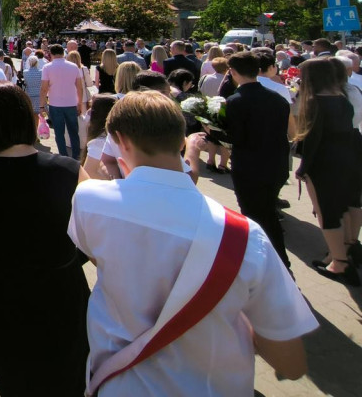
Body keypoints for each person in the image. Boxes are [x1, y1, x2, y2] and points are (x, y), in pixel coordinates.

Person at [69, 90, 317, 396]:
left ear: (121, 140)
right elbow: (291, 363)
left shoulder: (90, 200)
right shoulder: (246, 236)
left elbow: (98, 252)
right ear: (182, 140)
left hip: (120, 385)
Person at [0, 84, 90, 395]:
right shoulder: (68, 170)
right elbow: (93, 234)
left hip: (1, 292)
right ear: (30, 119)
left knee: (14, 379)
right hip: (61, 288)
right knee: (69, 379)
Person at [294, 57, 362, 285]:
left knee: (327, 213)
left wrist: (303, 168)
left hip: (325, 164)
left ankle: (339, 263)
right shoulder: (342, 98)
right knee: (342, 208)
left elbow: (313, 140)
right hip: (348, 160)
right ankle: (343, 252)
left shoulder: (315, 102)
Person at [225, 52, 292, 271]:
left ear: (233, 73)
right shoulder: (278, 98)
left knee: (257, 217)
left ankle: (276, 264)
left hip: (250, 168)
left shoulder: (236, 102)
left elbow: (236, 138)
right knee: (268, 212)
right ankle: (277, 261)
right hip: (277, 165)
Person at [41, 44, 86, 159]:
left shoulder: (47, 67)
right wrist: (80, 103)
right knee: (73, 132)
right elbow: (80, 87)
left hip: (55, 104)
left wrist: (42, 105)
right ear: (63, 52)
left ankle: (63, 156)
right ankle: (76, 155)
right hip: (71, 103)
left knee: (59, 133)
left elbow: (44, 88)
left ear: (51, 54)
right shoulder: (74, 66)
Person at [82, 93, 117, 180]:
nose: (88, 112)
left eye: (91, 109)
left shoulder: (99, 143)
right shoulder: (111, 137)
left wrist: (111, 183)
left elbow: (88, 172)